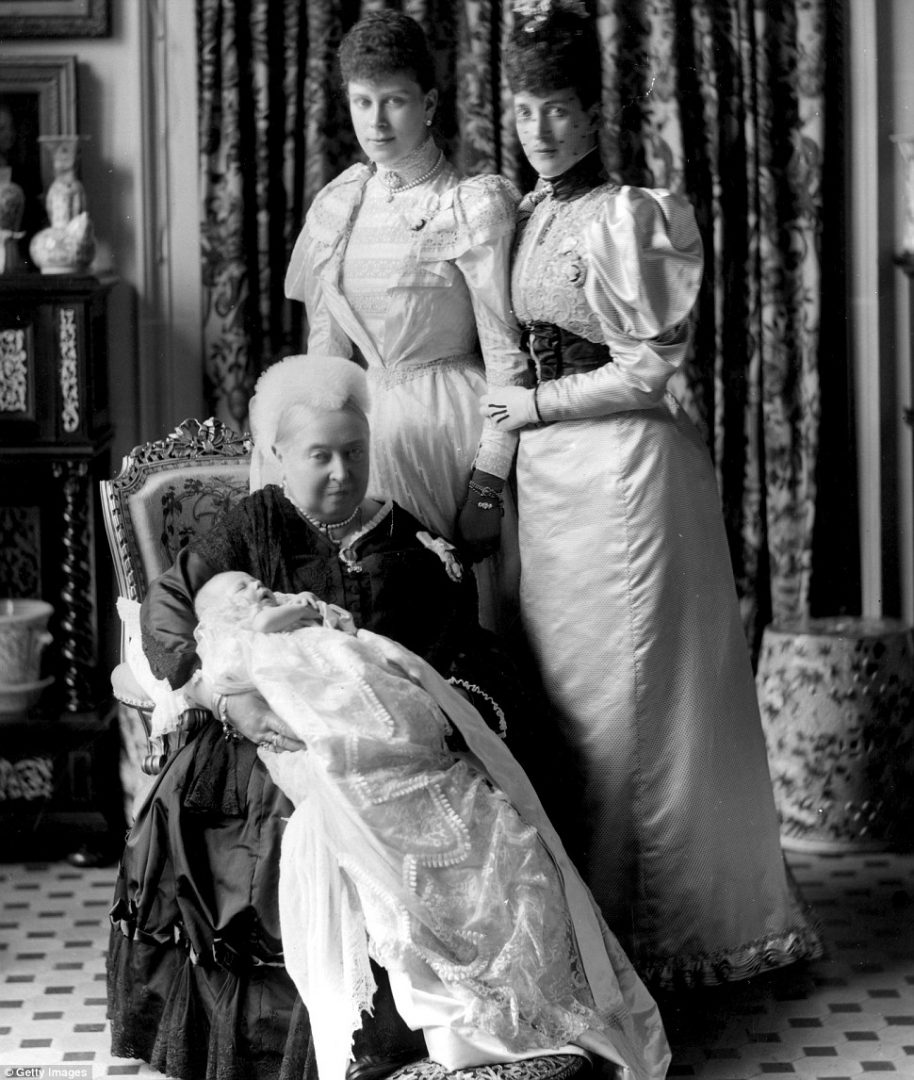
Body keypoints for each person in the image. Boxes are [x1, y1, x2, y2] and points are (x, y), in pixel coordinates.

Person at [480, 3, 824, 989]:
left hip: (629, 477)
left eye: (554, 110)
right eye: (521, 110)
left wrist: (534, 402)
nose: (537, 129)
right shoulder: (524, 214)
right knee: (570, 709)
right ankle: (588, 923)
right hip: (551, 489)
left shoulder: (630, 216)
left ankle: (669, 937)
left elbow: (649, 368)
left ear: (591, 112)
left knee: (636, 711)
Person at [107, 356, 525, 1080]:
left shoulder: (405, 537)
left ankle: (458, 1021)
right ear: (278, 456)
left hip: (383, 732)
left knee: (466, 818)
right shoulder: (253, 526)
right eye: (319, 457)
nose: (340, 473)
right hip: (262, 733)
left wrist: (439, 715)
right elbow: (168, 612)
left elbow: (455, 642)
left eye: (354, 454)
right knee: (302, 820)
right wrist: (218, 694)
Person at [191, 570, 671, 1080]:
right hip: (345, 756)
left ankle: (528, 1012)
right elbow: (228, 661)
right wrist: (294, 618)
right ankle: (464, 1031)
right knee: (408, 883)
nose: (255, 587)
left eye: (252, 581)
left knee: (494, 849)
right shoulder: (248, 641)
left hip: (402, 739)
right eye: (238, 590)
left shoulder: (312, 616)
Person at [282, 10, 530, 631]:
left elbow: (506, 358)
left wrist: (488, 484)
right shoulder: (338, 205)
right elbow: (326, 359)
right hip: (363, 445)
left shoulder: (470, 205)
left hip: (452, 437)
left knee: (453, 627)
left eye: (394, 101)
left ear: (429, 103)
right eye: (362, 102)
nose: (376, 120)